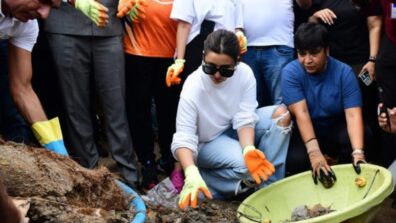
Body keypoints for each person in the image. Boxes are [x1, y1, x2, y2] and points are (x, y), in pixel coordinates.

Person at [172, 29, 292, 209]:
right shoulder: (193, 86)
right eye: (210, 67)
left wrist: (249, 149)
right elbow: (184, 137)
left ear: (238, 61)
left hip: (233, 132)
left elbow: (245, 119)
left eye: (225, 70)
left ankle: (269, 187)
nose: (217, 75)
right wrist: (190, 171)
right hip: (206, 143)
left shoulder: (244, 74)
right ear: (203, 56)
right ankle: (202, 181)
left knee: (281, 115)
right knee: (247, 168)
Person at [43, 0, 139, 188]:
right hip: (65, 23)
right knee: (75, 105)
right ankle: (90, 174)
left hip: (109, 24)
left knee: (116, 104)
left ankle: (130, 174)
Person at [282, 23, 368, 185]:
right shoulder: (290, 73)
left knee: (360, 137)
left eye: (314, 53)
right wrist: (314, 152)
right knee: (296, 159)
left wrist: (358, 153)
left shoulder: (344, 72)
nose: (307, 60)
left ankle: (345, 180)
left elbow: (353, 114)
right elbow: (302, 113)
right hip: (303, 132)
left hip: (332, 129)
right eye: (302, 54)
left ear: (327, 50)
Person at [122, 0, 182, 191]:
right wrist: (123, 11)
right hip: (137, 53)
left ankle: (170, 160)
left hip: (172, 57)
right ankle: (147, 163)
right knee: (139, 112)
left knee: (169, 113)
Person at [241, 0, 312, 107]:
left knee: (282, 106)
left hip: (279, 45)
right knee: (249, 106)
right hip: (247, 47)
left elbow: (306, 4)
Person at [166, 0, 246, 88]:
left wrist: (239, 34)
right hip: (197, 47)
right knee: (195, 87)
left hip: (227, 45)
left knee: (226, 87)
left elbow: (237, 24)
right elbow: (184, 24)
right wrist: (179, 61)